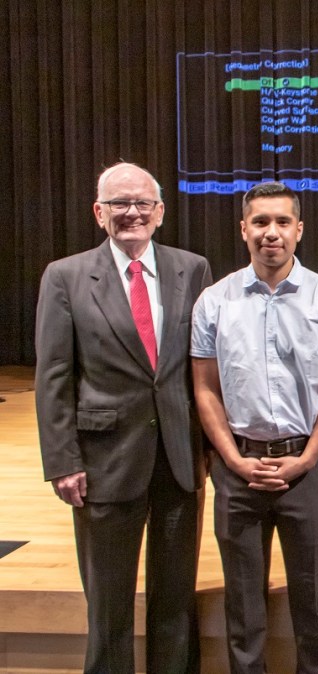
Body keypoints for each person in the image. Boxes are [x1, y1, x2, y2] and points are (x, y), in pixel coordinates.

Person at [35, 162, 212, 673]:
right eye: (119, 203)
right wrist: (62, 460)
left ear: (160, 211)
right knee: (109, 605)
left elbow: (204, 366)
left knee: (175, 599)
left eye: (141, 203)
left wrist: (209, 450)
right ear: (99, 212)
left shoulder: (192, 268)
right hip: (101, 464)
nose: (131, 212)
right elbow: (53, 378)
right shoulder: (65, 277)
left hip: (179, 460)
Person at [191, 181, 318, 674]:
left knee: (311, 599)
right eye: (260, 222)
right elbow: (205, 390)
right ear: (243, 229)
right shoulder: (214, 302)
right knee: (242, 604)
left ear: (299, 230)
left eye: (282, 222)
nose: (271, 233)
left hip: (304, 467)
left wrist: (307, 458)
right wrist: (234, 459)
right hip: (236, 470)